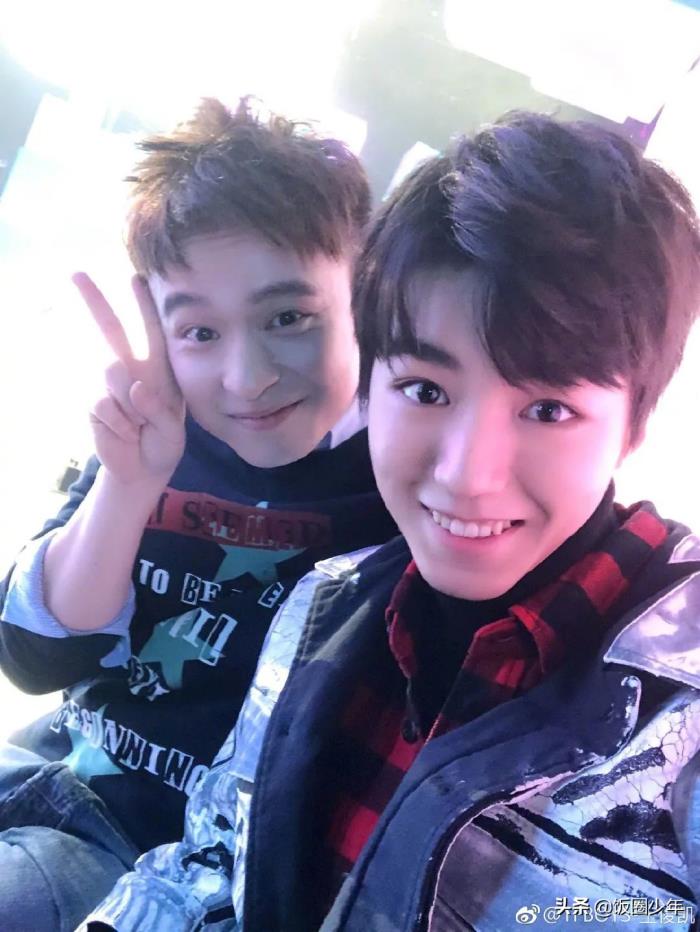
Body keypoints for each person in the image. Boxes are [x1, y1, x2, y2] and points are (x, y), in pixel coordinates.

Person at [84, 111, 700, 932]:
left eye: (549, 409)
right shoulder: (324, 607)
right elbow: (211, 866)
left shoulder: (680, 706)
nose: (465, 475)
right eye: (426, 390)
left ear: (634, 425)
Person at [0, 97, 397, 931]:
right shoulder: (162, 427)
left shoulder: (401, 481)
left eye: (288, 318)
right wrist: (129, 483)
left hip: (149, 858)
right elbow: (34, 657)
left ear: (364, 292)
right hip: (44, 770)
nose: (246, 379)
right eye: (199, 333)